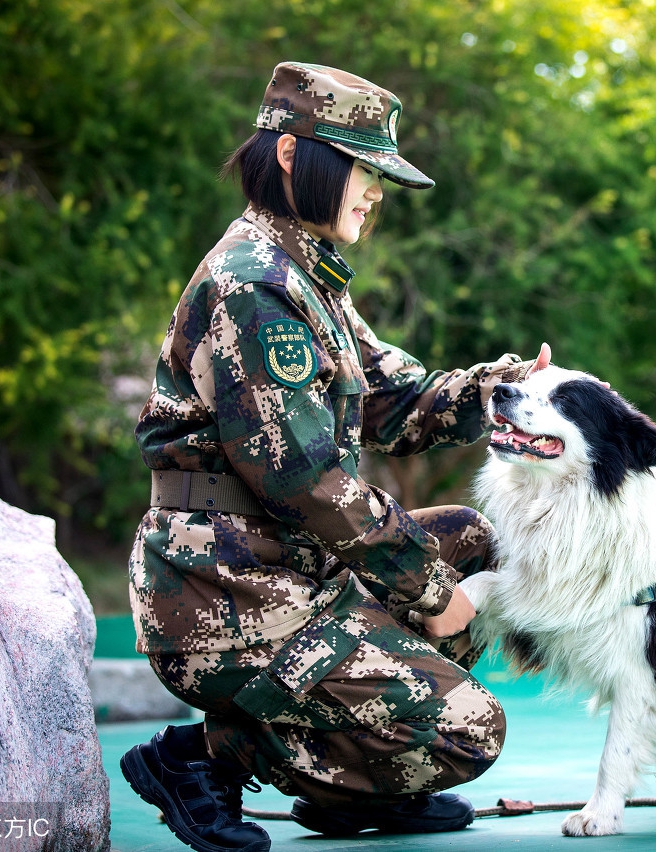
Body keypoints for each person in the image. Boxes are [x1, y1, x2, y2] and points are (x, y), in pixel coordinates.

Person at [119, 61, 547, 852]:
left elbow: (395, 400)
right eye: (363, 167)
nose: (375, 190)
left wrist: (502, 393)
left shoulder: (308, 277)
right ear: (290, 155)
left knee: (476, 541)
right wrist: (428, 590)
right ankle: (204, 758)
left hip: (290, 569)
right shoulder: (255, 286)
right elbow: (309, 483)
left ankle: (354, 788)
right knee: (467, 730)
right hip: (226, 601)